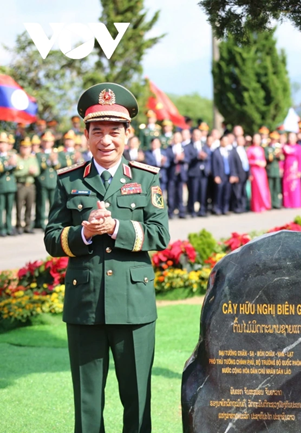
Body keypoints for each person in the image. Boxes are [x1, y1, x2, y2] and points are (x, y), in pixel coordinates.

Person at [44, 82, 170, 433]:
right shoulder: (69, 182)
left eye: (115, 131)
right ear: (86, 135)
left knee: (138, 400)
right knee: (87, 405)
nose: (106, 140)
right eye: (97, 131)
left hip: (134, 304)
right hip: (85, 305)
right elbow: (52, 239)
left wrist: (116, 227)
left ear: (128, 134)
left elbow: (161, 235)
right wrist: (85, 232)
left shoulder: (146, 180)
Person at [34, 131, 61, 230]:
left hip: (53, 181)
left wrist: (54, 161)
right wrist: (49, 161)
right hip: (43, 181)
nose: (47, 143)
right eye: (45, 141)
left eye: (49, 141)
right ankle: (40, 222)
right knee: (41, 203)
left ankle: (52, 221)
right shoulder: (39, 154)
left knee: (53, 204)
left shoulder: (56, 152)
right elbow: (39, 166)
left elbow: (59, 166)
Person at [14, 137, 40, 234]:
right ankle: (18, 225)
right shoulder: (17, 158)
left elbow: (37, 171)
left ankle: (28, 225)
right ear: (20, 148)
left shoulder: (32, 158)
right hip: (21, 184)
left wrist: (32, 172)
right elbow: (16, 173)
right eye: (24, 147)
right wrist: (26, 172)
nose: (26, 149)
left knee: (29, 206)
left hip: (30, 185)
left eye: (27, 147)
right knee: (19, 206)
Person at [186, 128, 211, 217]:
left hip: (203, 172)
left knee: (203, 192)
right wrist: (197, 156)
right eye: (195, 135)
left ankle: (202, 210)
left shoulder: (203, 145)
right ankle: (192, 210)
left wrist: (204, 156)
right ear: (192, 135)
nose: (197, 137)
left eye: (199, 135)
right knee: (193, 192)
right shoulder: (189, 146)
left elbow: (208, 157)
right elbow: (187, 158)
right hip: (194, 172)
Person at [247, 133, 271, 213]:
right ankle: (257, 206)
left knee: (264, 187)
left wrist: (264, 162)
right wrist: (255, 162)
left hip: (261, 170)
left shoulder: (261, 149)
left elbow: (263, 158)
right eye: (255, 139)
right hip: (255, 171)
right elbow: (248, 160)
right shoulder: (250, 149)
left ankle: (264, 205)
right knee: (257, 188)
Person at [0, 133, 18, 237]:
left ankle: (8, 227)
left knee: (9, 208)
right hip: (1, 186)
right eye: (1, 143)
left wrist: (14, 163)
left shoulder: (11, 155)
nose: (2, 146)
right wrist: (7, 165)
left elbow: (17, 167)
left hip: (10, 186)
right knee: (1, 208)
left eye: (4, 143)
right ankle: (1, 228)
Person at [167, 132, 188, 219]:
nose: (176, 139)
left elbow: (189, 158)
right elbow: (167, 160)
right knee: (171, 193)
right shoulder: (169, 148)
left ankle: (181, 211)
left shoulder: (184, 148)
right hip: (172, 173)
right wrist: (175, 159)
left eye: (178, 137)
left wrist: (182, 158)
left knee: (180, 193)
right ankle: (170, 211)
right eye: (175, 137)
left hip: (181, 173)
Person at [228, 136, 250, 213]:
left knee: (243, 191)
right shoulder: (233, 151)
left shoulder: (244, 149)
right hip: (238, 174)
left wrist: (249, 174)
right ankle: (237, 207)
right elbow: (232, 164)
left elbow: (247, 162)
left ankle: (243, 206)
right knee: (237, 192)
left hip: (244, 173)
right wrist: (234, 175)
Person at [282, 132, 301, 209]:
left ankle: (296, 203)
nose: (291, 138)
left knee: (295, 186)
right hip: (287, 168)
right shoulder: (285, 147)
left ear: (296, 138)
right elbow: (282, 159)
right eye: (290, 137)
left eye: (292, 137)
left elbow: (300, 160)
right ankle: (287, 203)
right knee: (287, 185)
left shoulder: (298, 147)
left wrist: (299, 171)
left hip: (295, 167)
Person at [211, 137, 231, 215]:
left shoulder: (229, 151)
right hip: (220, 175)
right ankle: (217, 208)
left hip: (228, 175)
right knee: (219, 193)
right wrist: (216, 175)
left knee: (227, 193)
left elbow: (232, 164)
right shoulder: (216, 152)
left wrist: (233, 174)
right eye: (224, 141)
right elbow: (214, 165)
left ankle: (225, 208)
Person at [265, 131, 283, 209]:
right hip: (270, 170)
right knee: (270, 188)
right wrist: (274, 154)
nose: (274, 141)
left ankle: (276, 203)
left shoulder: (277, 147)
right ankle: (271, 203)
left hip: (276, 170)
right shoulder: (267, 148)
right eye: (273, 139)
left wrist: (279, 154)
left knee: (277, 188)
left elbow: (281, 158)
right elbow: (267, 158)